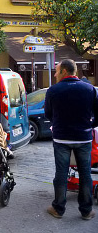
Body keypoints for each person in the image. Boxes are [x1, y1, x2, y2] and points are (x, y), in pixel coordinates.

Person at [45, 59, 98, 220]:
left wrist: (60, 124)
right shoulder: (90, 89)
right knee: (85, 174)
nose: (54, 74)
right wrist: (88, 125)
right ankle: (86, 210)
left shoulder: (53, 90)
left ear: (64, 72)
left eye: (57, 70)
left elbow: (48, 115)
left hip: (62, 139)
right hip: (84, 137)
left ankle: (58, 209)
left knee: (61, 173)